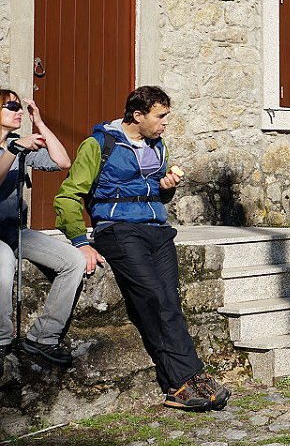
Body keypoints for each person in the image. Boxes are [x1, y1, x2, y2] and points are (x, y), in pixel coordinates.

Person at [54, 86, 231, 411]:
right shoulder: (99, 144)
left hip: (157, 231)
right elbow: (68, 196)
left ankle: (182, 382)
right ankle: (188, 379)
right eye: (160, 116)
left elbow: (157, 194)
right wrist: (80, 241)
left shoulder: (158, 146)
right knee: (153, 298)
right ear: (138, 115)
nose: (165, 123)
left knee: (169, 301)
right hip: (117, 230)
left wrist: (166, 187)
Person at [0, 90, 84, 366]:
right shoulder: (15, 148)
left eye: (20, 107)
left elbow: (63, 162)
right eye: (11, 106)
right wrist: (14, 150)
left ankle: (43, 337)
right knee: (3, 262)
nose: (18, 111)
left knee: (73, 260)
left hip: (15, 231)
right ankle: (1, 341)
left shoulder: (18, 145)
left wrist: (40, 124)